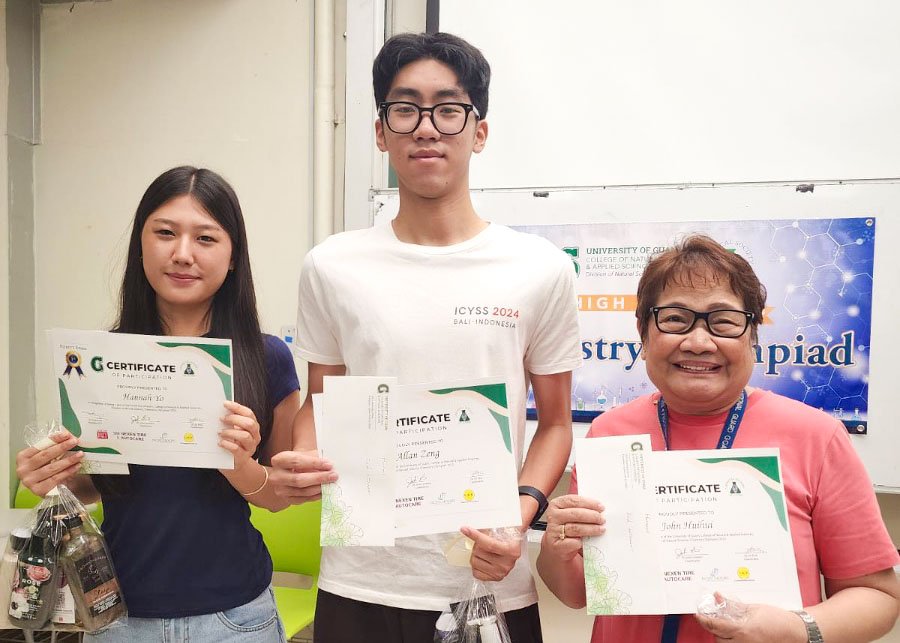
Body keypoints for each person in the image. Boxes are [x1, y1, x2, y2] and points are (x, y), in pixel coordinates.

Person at [268, 32, 581, 643]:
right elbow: (322, 404)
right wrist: (304, 458)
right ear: (382, 132)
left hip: (490, 579)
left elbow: (556, 424)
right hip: (361, 577)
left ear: (479, 131)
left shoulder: (539, 267)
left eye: (448, 108)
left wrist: (518, 520)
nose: (426, 128)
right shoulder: (332, 265)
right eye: (404, 108)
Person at [536, 234, 900, 643]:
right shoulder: (611, 432)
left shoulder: (816, 436)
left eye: (723, 321)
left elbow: (876, 595)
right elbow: (574, 594)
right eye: (674, 319)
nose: (698, 341)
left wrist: (796, 630)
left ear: (752, 335)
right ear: (643, 331)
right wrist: (556, 548)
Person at [15, 166, 300, 642]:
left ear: (233, 257)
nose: (182, 254)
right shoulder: (98, 360)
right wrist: (53, 476)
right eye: (165, 233)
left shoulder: (266, 356)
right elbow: (94, 484)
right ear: (140, 245)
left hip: (236, 618)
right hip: (118, 615)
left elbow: (276, 498)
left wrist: (237, 461)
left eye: (206, 238)